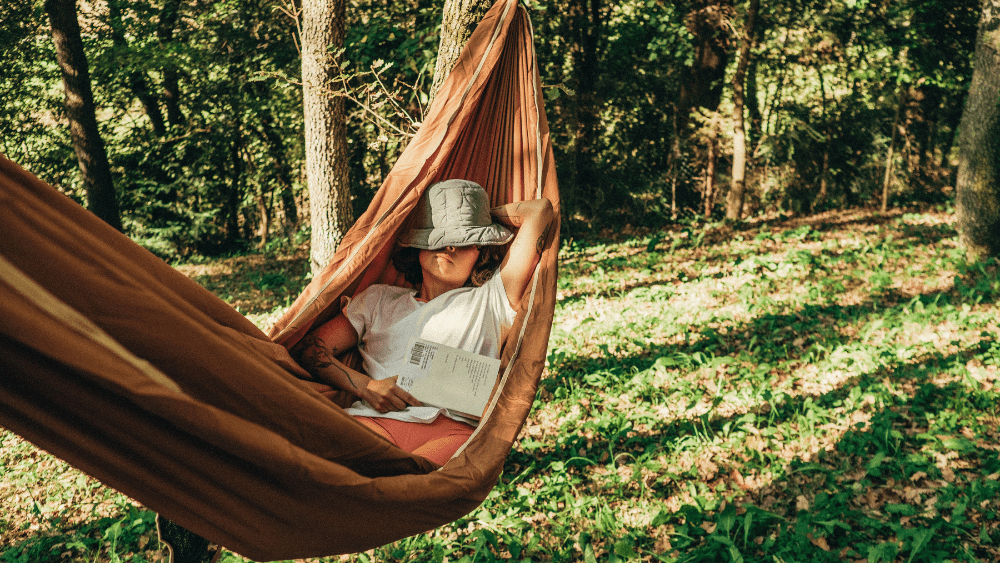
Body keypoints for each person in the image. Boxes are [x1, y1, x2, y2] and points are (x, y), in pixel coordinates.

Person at [292, 179, 553, 465]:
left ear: (482, 252)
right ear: (418, 247)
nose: (449, 247)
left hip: (451, 433)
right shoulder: (378, 299)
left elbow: (539, 211)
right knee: (316, 460)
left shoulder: (492, 300)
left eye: (464, 240)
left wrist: (482, 216)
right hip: (375, 421)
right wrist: (365, 386)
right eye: (438, 236)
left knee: (409, 484)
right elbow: (310, 347)